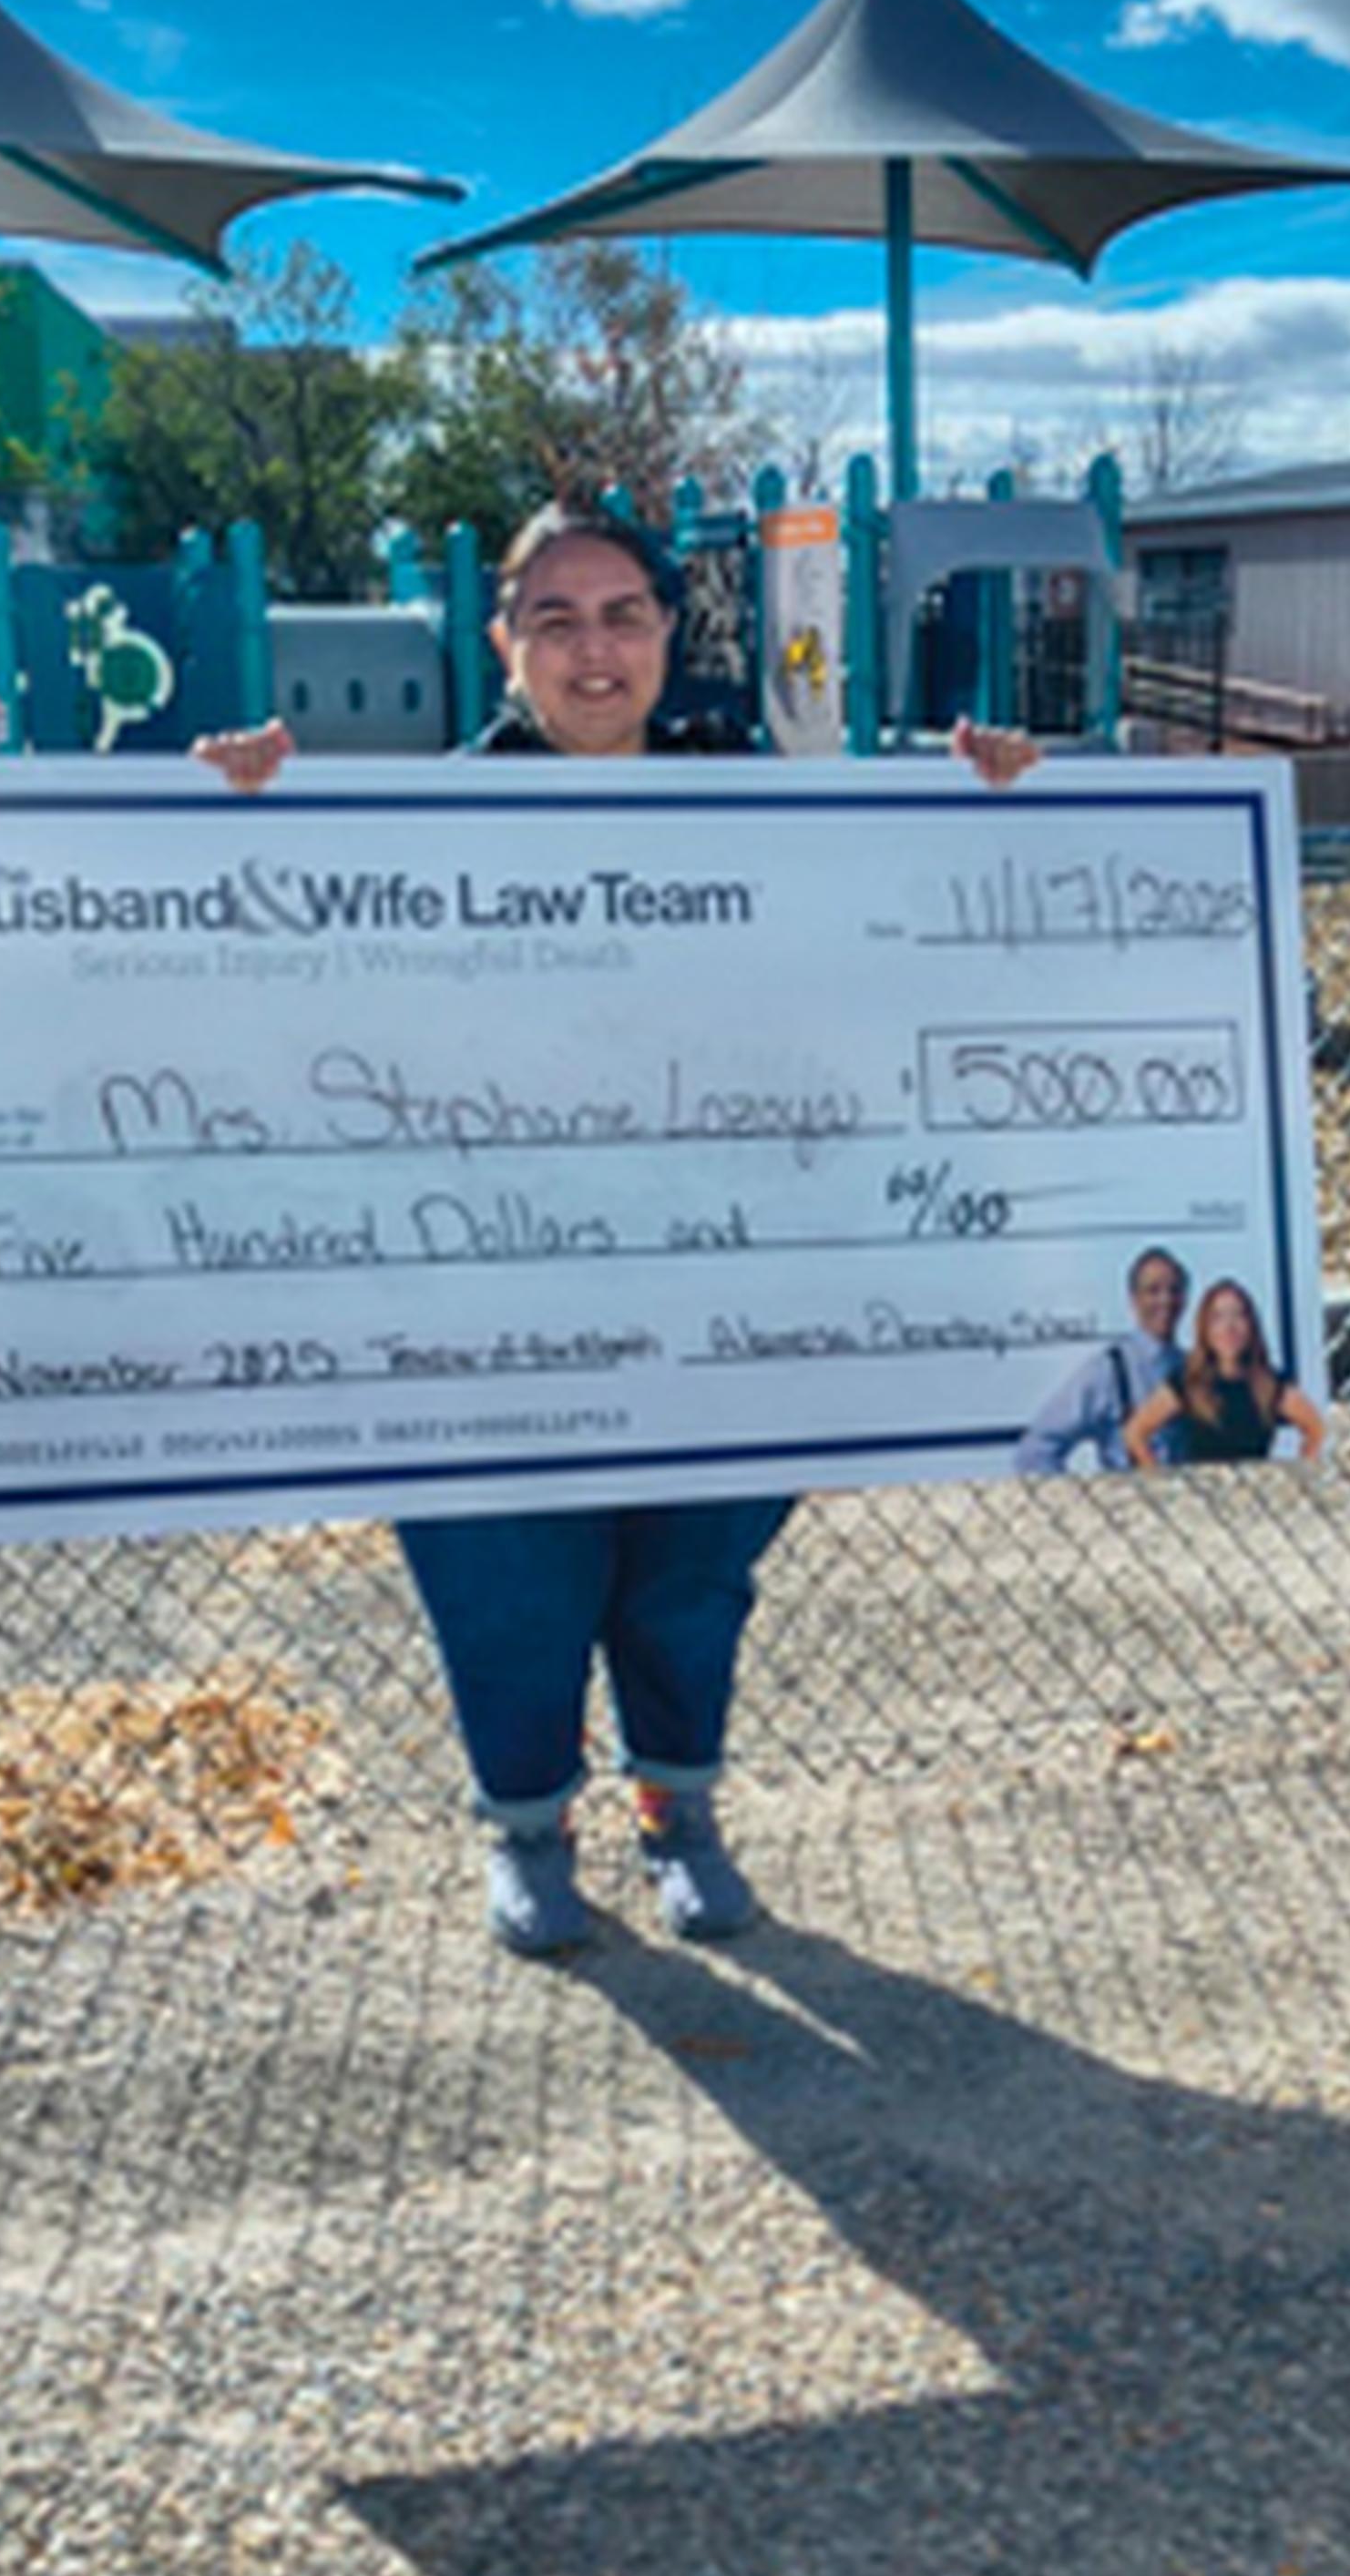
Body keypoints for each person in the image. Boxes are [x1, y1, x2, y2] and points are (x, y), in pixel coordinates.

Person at [198, 503, 1039, 1955]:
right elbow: (285, 1004)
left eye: (625, 614)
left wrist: (991, 804)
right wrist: (235, 816)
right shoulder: (410, 824)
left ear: (669, 630)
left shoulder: (777, 801)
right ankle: (527, 1829)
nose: (596, 649)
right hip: (492, 1282)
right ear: (505, 643)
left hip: (721, 1270)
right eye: (558, 619)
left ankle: (679, 1811)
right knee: (504, 1566)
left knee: (692, 1566)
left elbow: (900, 951)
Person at [1011, 1244, 1189, 1477]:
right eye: (1153, 1291)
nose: (1165, 1300)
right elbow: (1035, 1452)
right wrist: (1082, 1505)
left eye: (1174, 1290)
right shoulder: (1109, 1370)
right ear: (1134, 1300)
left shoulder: (1194, 1368)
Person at [1123, 1277, 1327, 1470]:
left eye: (1238, 1315)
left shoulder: (1269, 1384)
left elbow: (1316, 1428)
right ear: (1205, 1328)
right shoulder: (1188, 1383)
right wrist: (1161, 1481)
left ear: (1250, 1326)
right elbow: (1135, 1433)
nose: (1229, 1327)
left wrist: (1300, 1474)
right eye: (1218, 1318)